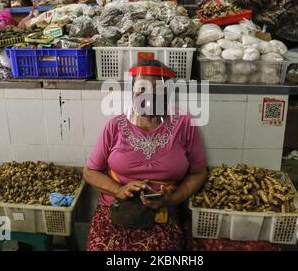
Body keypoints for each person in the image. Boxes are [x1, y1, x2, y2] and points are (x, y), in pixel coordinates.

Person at [84, 59, 208, 251]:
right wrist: (119, 190)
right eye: (141, 89)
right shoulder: (116, 125)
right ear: (133, 92)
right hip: (116, 211)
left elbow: (198, 172)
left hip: (162, 212)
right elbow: (90, 172)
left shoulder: (184, 124)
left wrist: (173, 199)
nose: (148, 95)